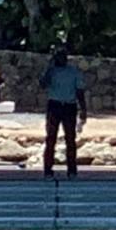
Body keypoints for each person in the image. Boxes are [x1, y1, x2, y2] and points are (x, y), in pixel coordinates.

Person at [39, 47, 87, 179]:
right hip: (54, 105)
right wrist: (49, 68)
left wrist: (83, 110)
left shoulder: (73, 72)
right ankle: (48, 169)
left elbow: (79, 91)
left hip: (69, 106)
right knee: (51, 138)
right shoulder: (51, 72)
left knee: (70, 139)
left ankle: (72, 170)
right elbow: (43, 84)